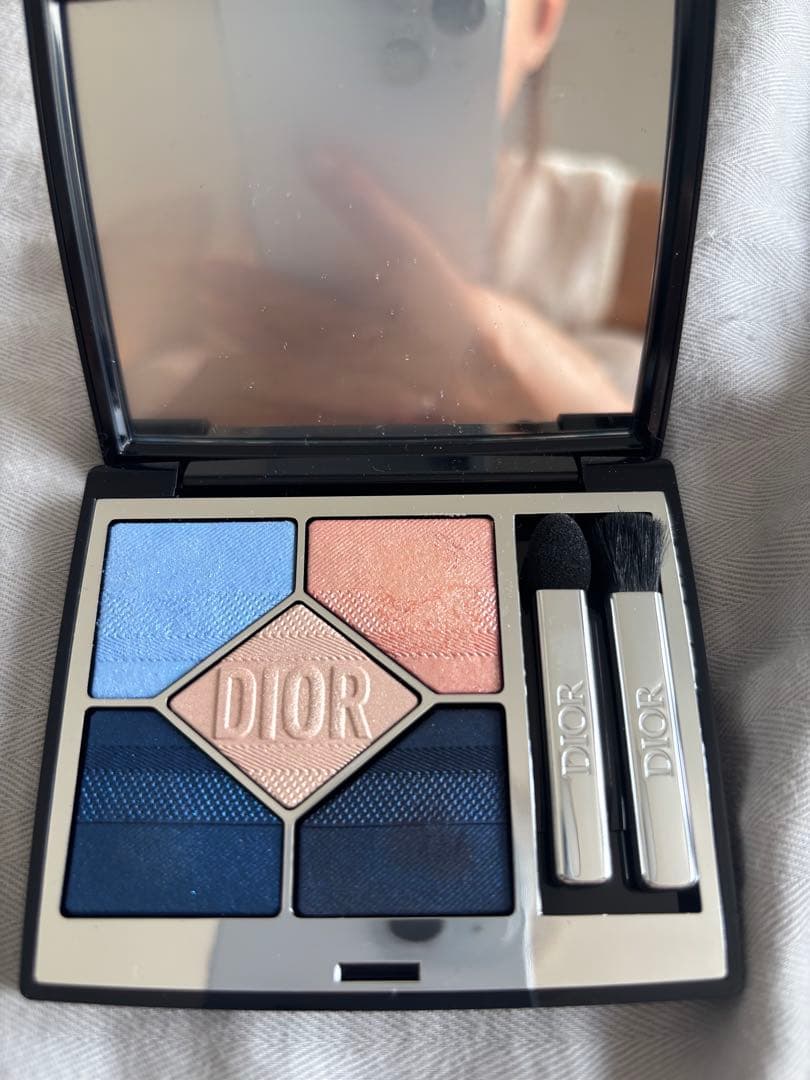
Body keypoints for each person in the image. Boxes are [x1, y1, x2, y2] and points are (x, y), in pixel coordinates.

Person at [112, 0, 660, 429]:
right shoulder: (150, 252)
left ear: (542, 17)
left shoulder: (650, 236)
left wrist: (517, 371)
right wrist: (187, 437)